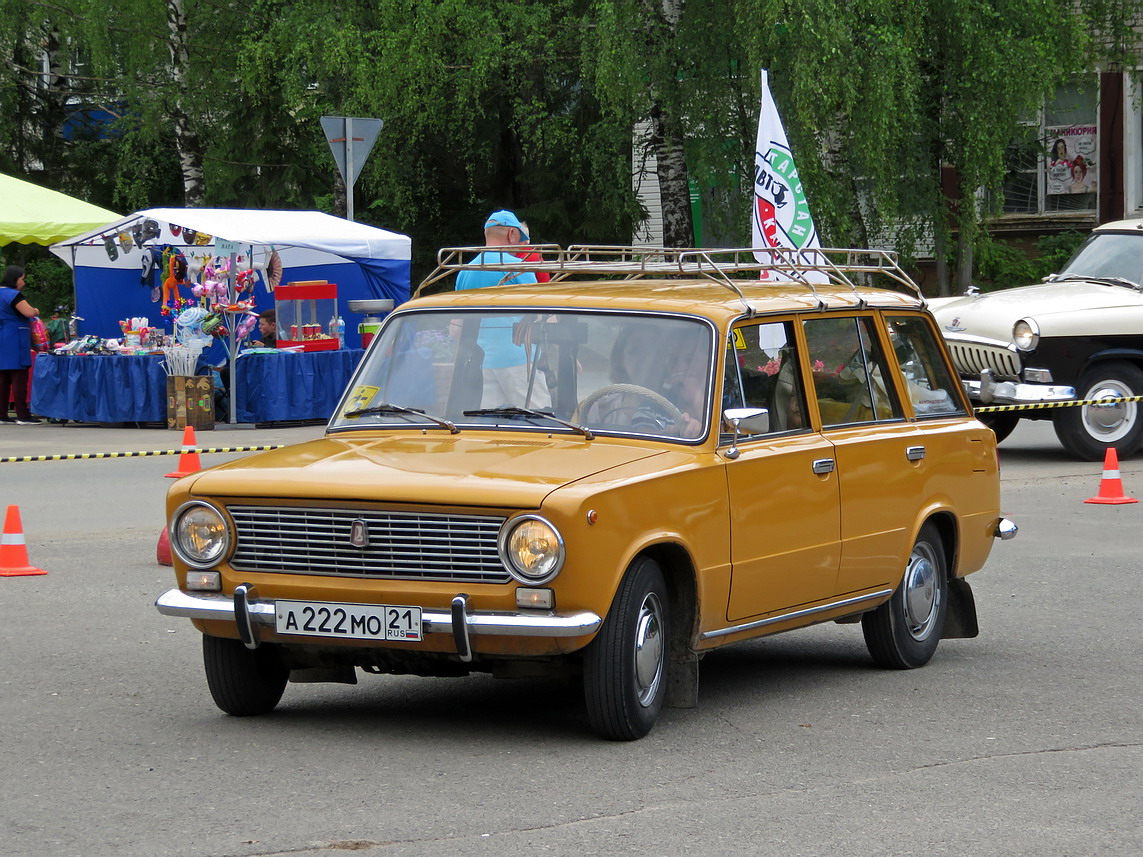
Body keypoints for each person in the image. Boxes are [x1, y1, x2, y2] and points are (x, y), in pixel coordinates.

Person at [454, 210, 550, 407]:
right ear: (511, 235)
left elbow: (457, 326)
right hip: (519, 362)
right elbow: (540, 316)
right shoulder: (520, 268)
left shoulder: (465, 271)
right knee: (541, 421)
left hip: (484, 363)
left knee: (492, 425)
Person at [0, 265, 42, 424]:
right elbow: (29, 312)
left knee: (3, 378)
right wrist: (37, 310)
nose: (23, 283)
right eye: (22, 279)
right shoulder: (13, 295)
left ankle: (2, 414)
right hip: (15, 337)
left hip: (2, 336)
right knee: (19, 377)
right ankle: (23, 415)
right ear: (15, 279)